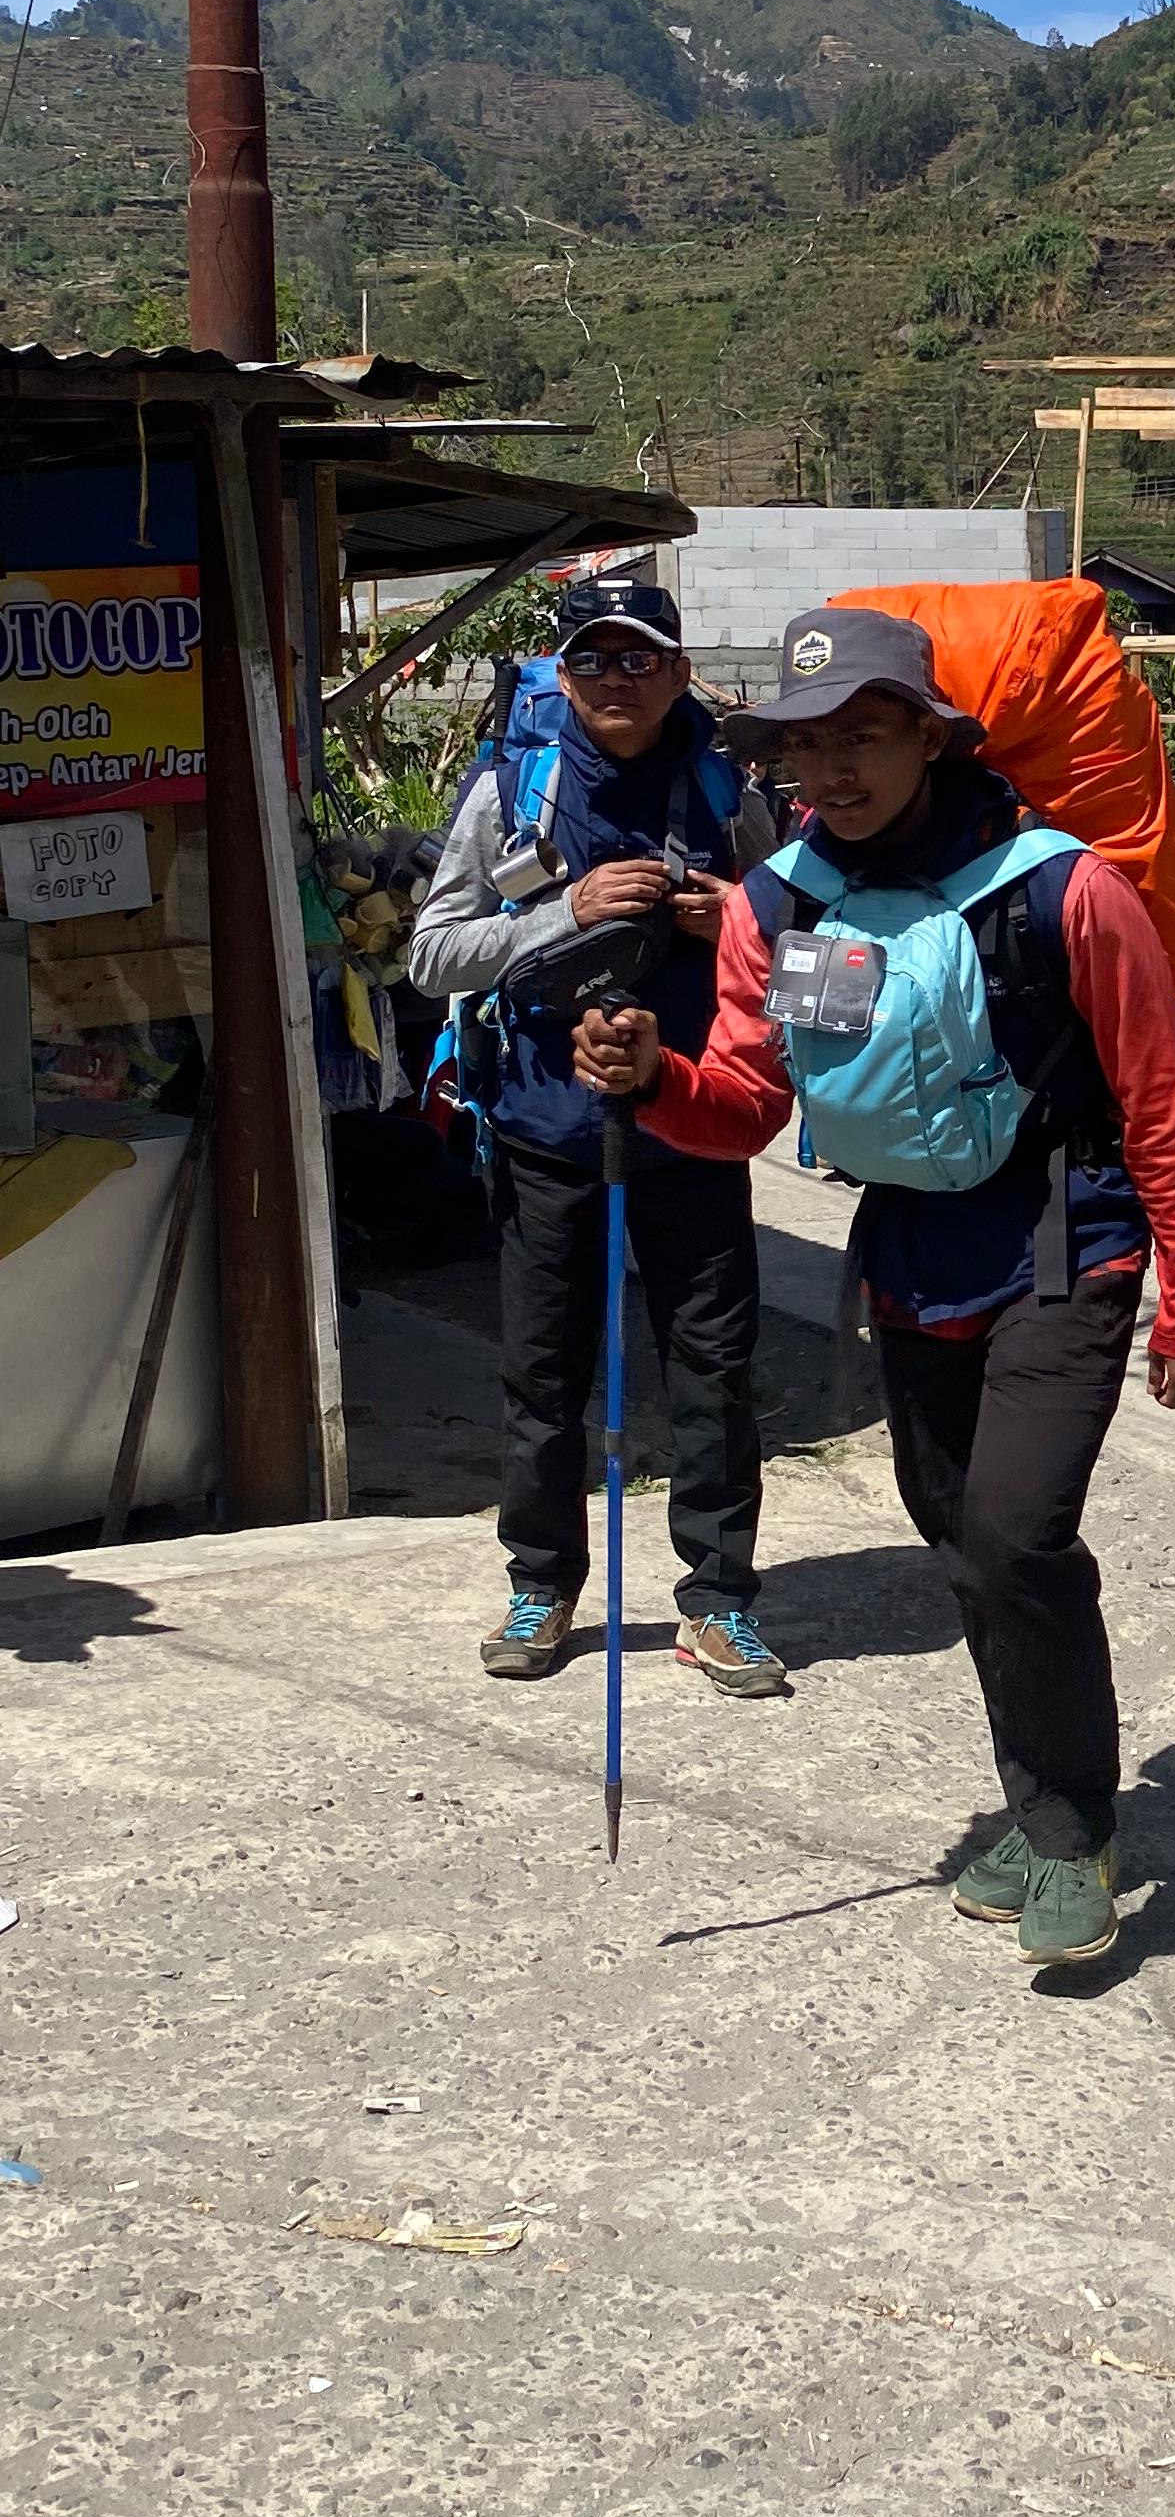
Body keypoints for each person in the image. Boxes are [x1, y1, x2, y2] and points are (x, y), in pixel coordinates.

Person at [570, 608, 1175, 1972]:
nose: (833, 770)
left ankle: (1072, 1832)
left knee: (1015, 1531)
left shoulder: (1064, 890)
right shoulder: (784, 901)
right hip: (912, 1254)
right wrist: (656, 1082)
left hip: (1062, 1236)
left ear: (931, 734)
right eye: (806, 747)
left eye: (862, 736)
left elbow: (1162, 1101)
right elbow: (749, 1102)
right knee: (957, 1541)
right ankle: (1044, 1799)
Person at [407, 575, 780, 1697]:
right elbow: (431, 955)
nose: (614, 680)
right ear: (562, 674)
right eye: (592, 660)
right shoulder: (517, 783)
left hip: (694, 1122)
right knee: (542, 1371)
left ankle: (718, 1602)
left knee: (713, 1371)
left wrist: (739, 914)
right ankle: (542, 1582)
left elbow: (798, 927)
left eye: (638, 658)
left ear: (677, 668)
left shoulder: (726, 783)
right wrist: (560, 915)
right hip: (545, 1128)